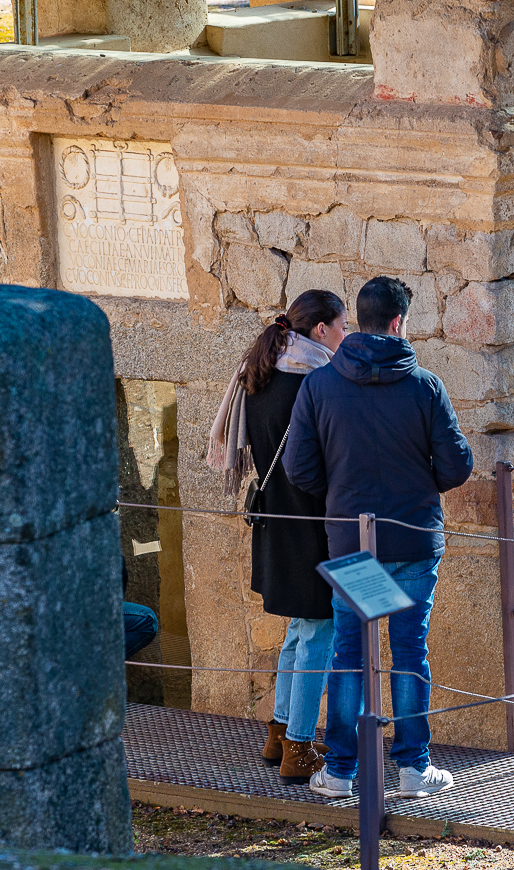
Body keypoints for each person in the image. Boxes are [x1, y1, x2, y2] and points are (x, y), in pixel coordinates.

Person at [283, 275, 473, 800]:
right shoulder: (424, 385)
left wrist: (341, 494)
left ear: (359, 323)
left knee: (349, 650)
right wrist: (418, 481)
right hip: (412, 538)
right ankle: (414, 768)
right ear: (397, 323)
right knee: (410, 650)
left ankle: (341, 771)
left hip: (352, 541)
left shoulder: (319, 386)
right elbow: (457, 466)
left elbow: (300, 468)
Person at [207, 289, 348, 782]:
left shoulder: (260, 375)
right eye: (342, 326)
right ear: (320, 331)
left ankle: (280, 731)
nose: (346, 335)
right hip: (308, 523)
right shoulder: (313, 382)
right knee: (318, 631)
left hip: (277, 520)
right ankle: (300, 748)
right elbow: (313, 466)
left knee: (298, 629)